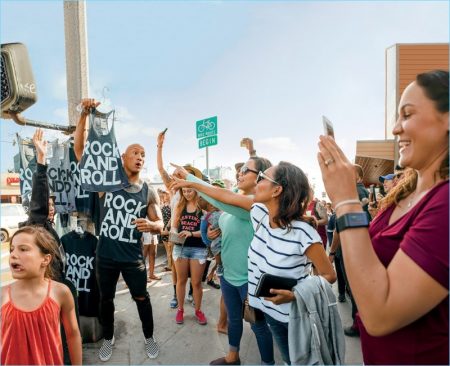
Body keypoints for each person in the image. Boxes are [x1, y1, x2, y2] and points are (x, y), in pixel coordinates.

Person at [318, 70, 448, 364]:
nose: (395, 129)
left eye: (408, 114)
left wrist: (347, 200)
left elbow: (380, 313)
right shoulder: (404, 193)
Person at [171, 161, 336, 365]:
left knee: (300, 361)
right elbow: (224, 197)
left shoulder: (304, 233)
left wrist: (295, 294)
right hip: (268, 309)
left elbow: (329, 276)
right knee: (286, 358)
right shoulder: (260, 213)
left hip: (294, 318)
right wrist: (191, 182)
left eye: (261, 178)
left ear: (277, 190)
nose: (256, 183)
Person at [74, 98, 163, 361]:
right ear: (123, 157)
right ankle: (108, 339)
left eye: (143, 154)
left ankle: (149, 337)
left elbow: (160, 222)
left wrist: (154, 225)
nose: (140, 157)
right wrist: (83, 116)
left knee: (142, 298)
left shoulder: (149, 190)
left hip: (133, 257)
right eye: (135, 152)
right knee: (106, 300)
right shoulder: (108, 181)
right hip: (106, 256)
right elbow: (81, 152)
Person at [171, 157, 275, 366]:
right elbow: (222, 224)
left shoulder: (257, 204)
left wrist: (191, 180)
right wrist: (210, 235)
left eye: (246, 170)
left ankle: (268, 363)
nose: (240, 172)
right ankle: (232, 356)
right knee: (233, 319)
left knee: (258, 325)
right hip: (228, 273)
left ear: (260, 177)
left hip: (250, 278)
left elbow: (221, 199)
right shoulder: (236, 196)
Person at [1, 226, 82, 365]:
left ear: (45, 259)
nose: (13, 254)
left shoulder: (61, 292)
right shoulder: (2, 295)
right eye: (12, 249)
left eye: (23, 249)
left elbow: (73, 334)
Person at [170, 184, 208, 326]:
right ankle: (180, 309)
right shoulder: (179, 206)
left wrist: (191, 233)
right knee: (181, 281)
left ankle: (198, 310)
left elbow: (207, 232)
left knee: (197, 283)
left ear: (196, 190)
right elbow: (173, 226)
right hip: (180, 248)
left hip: (198, 249)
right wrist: (174, 233)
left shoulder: (202, 207)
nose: (187, 194)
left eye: (189, 190)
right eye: (184, 191)